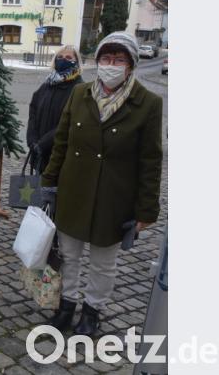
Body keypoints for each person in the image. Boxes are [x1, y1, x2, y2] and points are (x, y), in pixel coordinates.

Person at [41, 32, 163, 336]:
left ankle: (93, 311)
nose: (111, 65)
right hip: (74, 191)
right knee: (68, 255)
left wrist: (146, 210)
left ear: (131, 65)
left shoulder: (148, 103)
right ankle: (67, 305)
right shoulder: (80, 94)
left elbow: (151, 159)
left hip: (113, 198)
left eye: (118, 59)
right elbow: (62, 143)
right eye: (106, 58)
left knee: (102, 263)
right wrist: (48, 182)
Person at [26, 45, 84, 173]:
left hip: (61, 157)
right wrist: (32, 138)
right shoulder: (48, 84)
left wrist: (43, 143)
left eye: (69, 57)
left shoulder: (79, 88)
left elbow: (70, 123)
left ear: (77, 62)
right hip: (40, 154)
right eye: (60, 57)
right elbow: (33, 110)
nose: (63, 60)